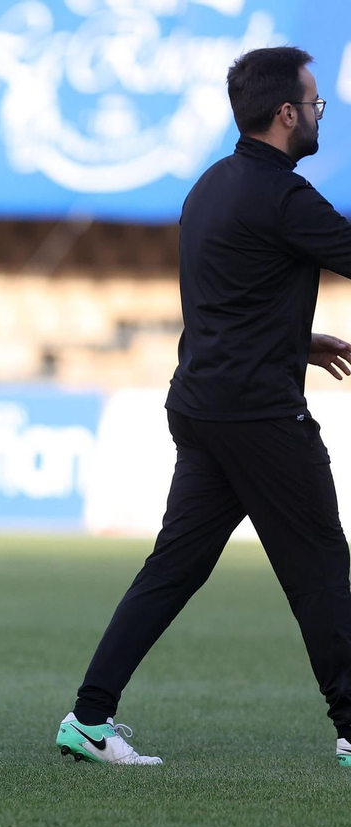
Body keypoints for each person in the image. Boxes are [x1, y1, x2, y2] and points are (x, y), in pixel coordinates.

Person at [56, 46, 351, 769]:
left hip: (201, 404)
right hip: (255, 413)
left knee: (175, 568)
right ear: (285, 114)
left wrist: (296, 338)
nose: (319, 114)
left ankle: (89, 718)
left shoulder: (210, 186)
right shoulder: (286, 196)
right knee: (319, 564)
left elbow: (228, 295)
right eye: (313, 104)